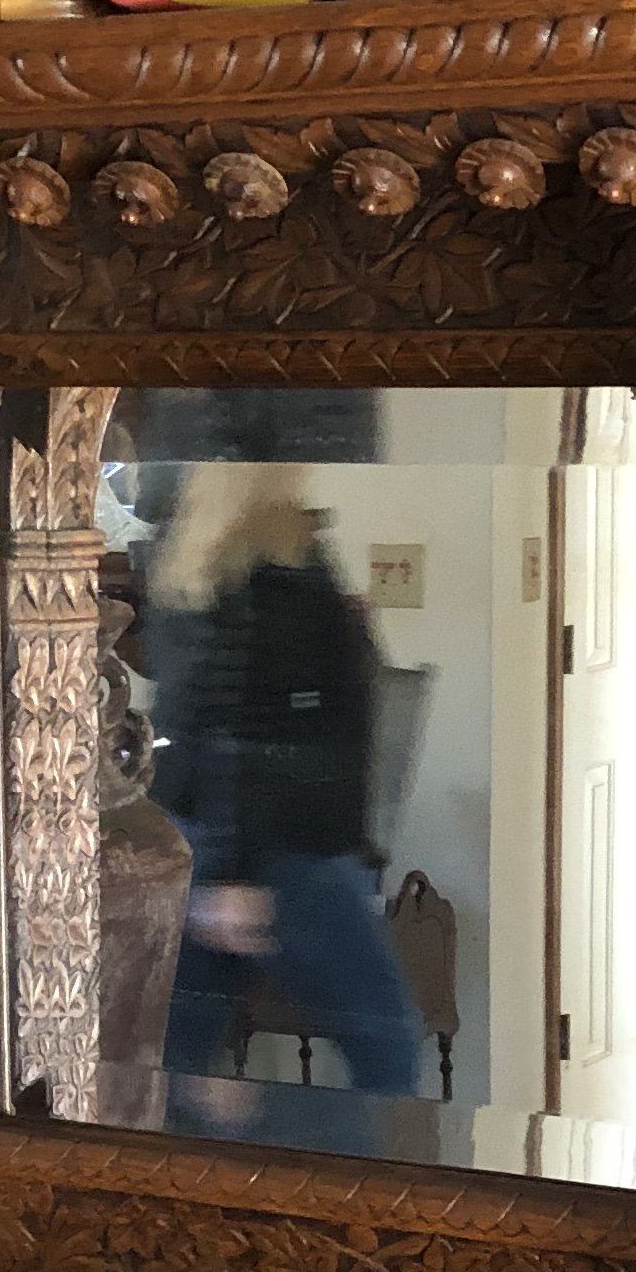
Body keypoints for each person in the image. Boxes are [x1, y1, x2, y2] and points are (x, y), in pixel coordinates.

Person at [144, 465, 419, 1095]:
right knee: (384, 1044)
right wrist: (228, 875)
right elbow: (229, 723)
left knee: (174, 1057)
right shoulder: (254, 568)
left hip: (266, 846)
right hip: (279, 852)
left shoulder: (266, 556)